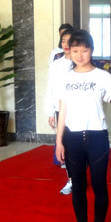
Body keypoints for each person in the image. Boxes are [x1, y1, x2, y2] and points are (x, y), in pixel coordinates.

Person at [55, 30, 111, 222]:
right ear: (70, 51)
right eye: (75, 50)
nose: (80, 55)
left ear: (91, 51)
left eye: (84, 50)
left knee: (99, 184)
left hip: (96, 137)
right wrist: (59, 141)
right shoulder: (66, 78)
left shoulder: (101, 75)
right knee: (78, 186)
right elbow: (62, 112)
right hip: (72, 138)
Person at [46, 28, 74, 194]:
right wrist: (50, 111)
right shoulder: (57, 63)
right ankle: (71, 179)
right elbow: (50, 87)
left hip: (76, 109)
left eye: (69, 41)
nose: (66, 44)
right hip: (60, 109)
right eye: (63, 41)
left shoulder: (79, 63)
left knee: (76, 147)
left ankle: (77, 175)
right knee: (66, 144)